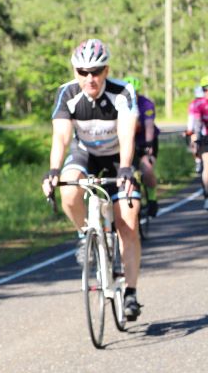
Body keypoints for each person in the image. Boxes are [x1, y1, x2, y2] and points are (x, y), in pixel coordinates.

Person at [42, 38, 143, 320]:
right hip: (84, 154)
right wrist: (53, 170)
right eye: (83, 72)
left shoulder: (123, 91)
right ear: (75, 71)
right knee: (69, 190)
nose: (90, 78)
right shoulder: (67, 93)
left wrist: (125, 169)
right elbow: (61, 136)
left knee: (129, 222)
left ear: (106, 70)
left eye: (96, 71)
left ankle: (131, 292)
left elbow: (126, 133)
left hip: (117, 157)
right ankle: (85, 234)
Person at [122, 76, 159, 217]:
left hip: (146, 141)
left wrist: (148, 146)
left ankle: (152, 199)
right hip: (128, 140)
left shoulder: (147, 104)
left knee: (147, 168)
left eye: (134, 93)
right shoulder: (119, 103)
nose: (132, 96)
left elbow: (149, 127)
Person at [185, 77, 208, 208]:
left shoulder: (197, 103)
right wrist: (196, 137)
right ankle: (207, 195)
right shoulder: (198, 104)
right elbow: (196, 124)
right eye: (205, 89)